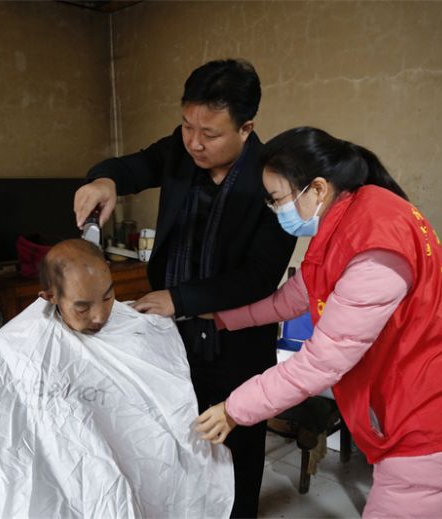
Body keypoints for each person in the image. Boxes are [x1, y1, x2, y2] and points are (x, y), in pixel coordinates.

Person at [195, 127, 442, 518]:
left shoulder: (373, 242)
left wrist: (234, 408)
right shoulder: (348, 221)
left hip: (440, 430)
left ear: (317, 189)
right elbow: (291, 299)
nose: (275, 211)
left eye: (277, 199)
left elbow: (320, 362)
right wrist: (221, 318)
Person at [73, 59, 296, 517]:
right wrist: (105, 180)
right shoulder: (180, 150)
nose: (194, 141)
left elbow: (258, 276)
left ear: (246, 128)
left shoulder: (273, 180)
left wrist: (179, 299)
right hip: (171, 337)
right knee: (176, 440)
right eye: (187, 125)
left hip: (235, 343)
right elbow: (136, 165)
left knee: (237, 452)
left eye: (209, 133)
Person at [0, 239, 234, 518]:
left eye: (108, 296)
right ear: (49, 296)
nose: (100, 316)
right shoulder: (12, 348)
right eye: (82, 308)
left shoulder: (132, 324)